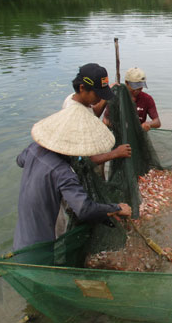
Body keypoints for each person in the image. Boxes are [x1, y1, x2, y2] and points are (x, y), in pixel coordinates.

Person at [13, 102, 132, 251]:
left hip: (21, 238)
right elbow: (84, 209)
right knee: (43, 260)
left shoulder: (33, 149)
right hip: (41, 245)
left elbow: (19, 160)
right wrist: (116, 208)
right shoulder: (63, 173)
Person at [63, 63, 131, 164]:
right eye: (98, 94)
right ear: (82, 88)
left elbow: (92, 114)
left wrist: (105, 97)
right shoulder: (76, 117)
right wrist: (116, 153)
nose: (100, 98)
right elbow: (88, 160)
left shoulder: (74, 98)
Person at [124, 67, 161, 132]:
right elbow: (105, 120)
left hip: (139, 133)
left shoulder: (147, 99)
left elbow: (157, 122)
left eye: (140, 86)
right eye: (135, 86)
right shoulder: (118, 98)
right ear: (126, 83)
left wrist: (148, 124)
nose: (137, 90)